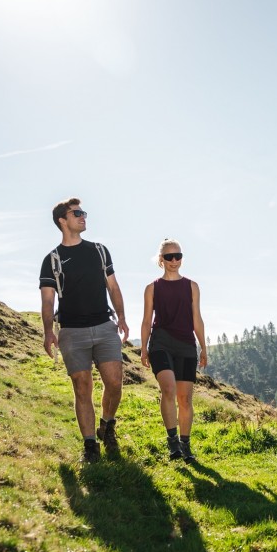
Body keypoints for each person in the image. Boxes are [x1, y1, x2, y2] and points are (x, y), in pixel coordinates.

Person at [39, 198, 130, 463]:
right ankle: (90, 446)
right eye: (76, 213)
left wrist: (122, 317)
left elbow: (113, 287)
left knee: (114, 382)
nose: (83, 216)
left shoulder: (99, 251)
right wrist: (47, 332)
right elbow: (47, 301)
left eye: (83, 212)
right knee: (82, 387)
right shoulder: (52, 260)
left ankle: (107, 424)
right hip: (71, 332)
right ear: (62, 221)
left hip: (104, 326)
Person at [139, 239, 207, 462]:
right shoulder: (152, 288)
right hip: (161, 343)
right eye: (169, 257)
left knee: (185, 398)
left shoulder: (192, 286)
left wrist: (203, 347)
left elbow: (197, 318)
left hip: (186, 344)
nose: (174, 261)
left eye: (178, 256)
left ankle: (185, 445)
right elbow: (147, 320)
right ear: (161, 260)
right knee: (168, 388)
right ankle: (172, 443)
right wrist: (143, 348)